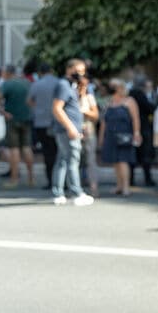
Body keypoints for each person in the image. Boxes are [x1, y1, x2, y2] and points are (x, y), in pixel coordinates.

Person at [50, 59, 94, 206]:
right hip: (67, 130)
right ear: (69, 69)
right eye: (78, 70)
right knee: (72, 160)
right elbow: (57, 108)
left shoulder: (71, 86)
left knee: (62, 160)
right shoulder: (63, 85)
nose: (80, 74)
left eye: (82, 71)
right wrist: (71, 128)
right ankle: (76, 192)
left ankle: (58, 192)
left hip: (68, 129)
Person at [99, 79, 140, 197]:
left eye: (114, 86)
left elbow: (135, 118)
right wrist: (102, 137)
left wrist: (137, 133)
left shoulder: (129, 101)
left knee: (123, 160)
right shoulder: (109, 102)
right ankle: (119, 185)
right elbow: (104, 121)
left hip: (124, 135)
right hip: (111, 135)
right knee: (115, 161)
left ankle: (126, 187)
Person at [0, 65, 34, 188]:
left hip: (12, 119)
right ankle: (31, 178)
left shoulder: (7, 84)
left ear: (7, 73)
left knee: (14, 149)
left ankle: (14, 179)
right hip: (27, 118)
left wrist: (3, 112)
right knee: (27, 147)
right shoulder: (27, 83)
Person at [27, 63, 59, 189]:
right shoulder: (59, 83)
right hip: (57, 121)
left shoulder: (37, 84)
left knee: (47, 153)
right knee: (59, 152)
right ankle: (61, 180)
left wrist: (39, 107)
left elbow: (29, 101)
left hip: (41, 121)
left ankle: (50, 180)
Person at [129, 76, 157, 187]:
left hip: (133, 127)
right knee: (145, 155)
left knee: (133, 155)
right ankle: (148, 179)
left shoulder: (130, 94)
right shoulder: (140, 94)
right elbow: (150, 108)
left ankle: (130, 179)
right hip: (143, 127)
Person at [78, 74, 100, 197]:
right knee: (76, 161)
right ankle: (77, 186)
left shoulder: (89, 98)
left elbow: (96, 115)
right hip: (76, 131)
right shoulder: (72, 96)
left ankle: (93, 187)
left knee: (90, 160)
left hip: (88, 130)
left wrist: (85, 111)